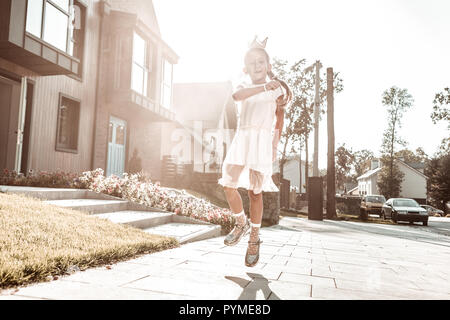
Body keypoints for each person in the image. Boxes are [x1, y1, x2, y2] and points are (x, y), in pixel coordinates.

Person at [218, 36, 291, 267]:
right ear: (246, 67)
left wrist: (274, 145)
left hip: (261, 141)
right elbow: (237, 96)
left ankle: (255, 238)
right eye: (252, 63)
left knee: (255, 193)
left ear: (268, 66)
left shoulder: (277, 89)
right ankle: (241, 223)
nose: (257, 66)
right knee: (228, 183)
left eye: (261, 62)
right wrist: (261, 87)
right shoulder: (244, 86)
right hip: (243, 137)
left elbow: (280, 118)